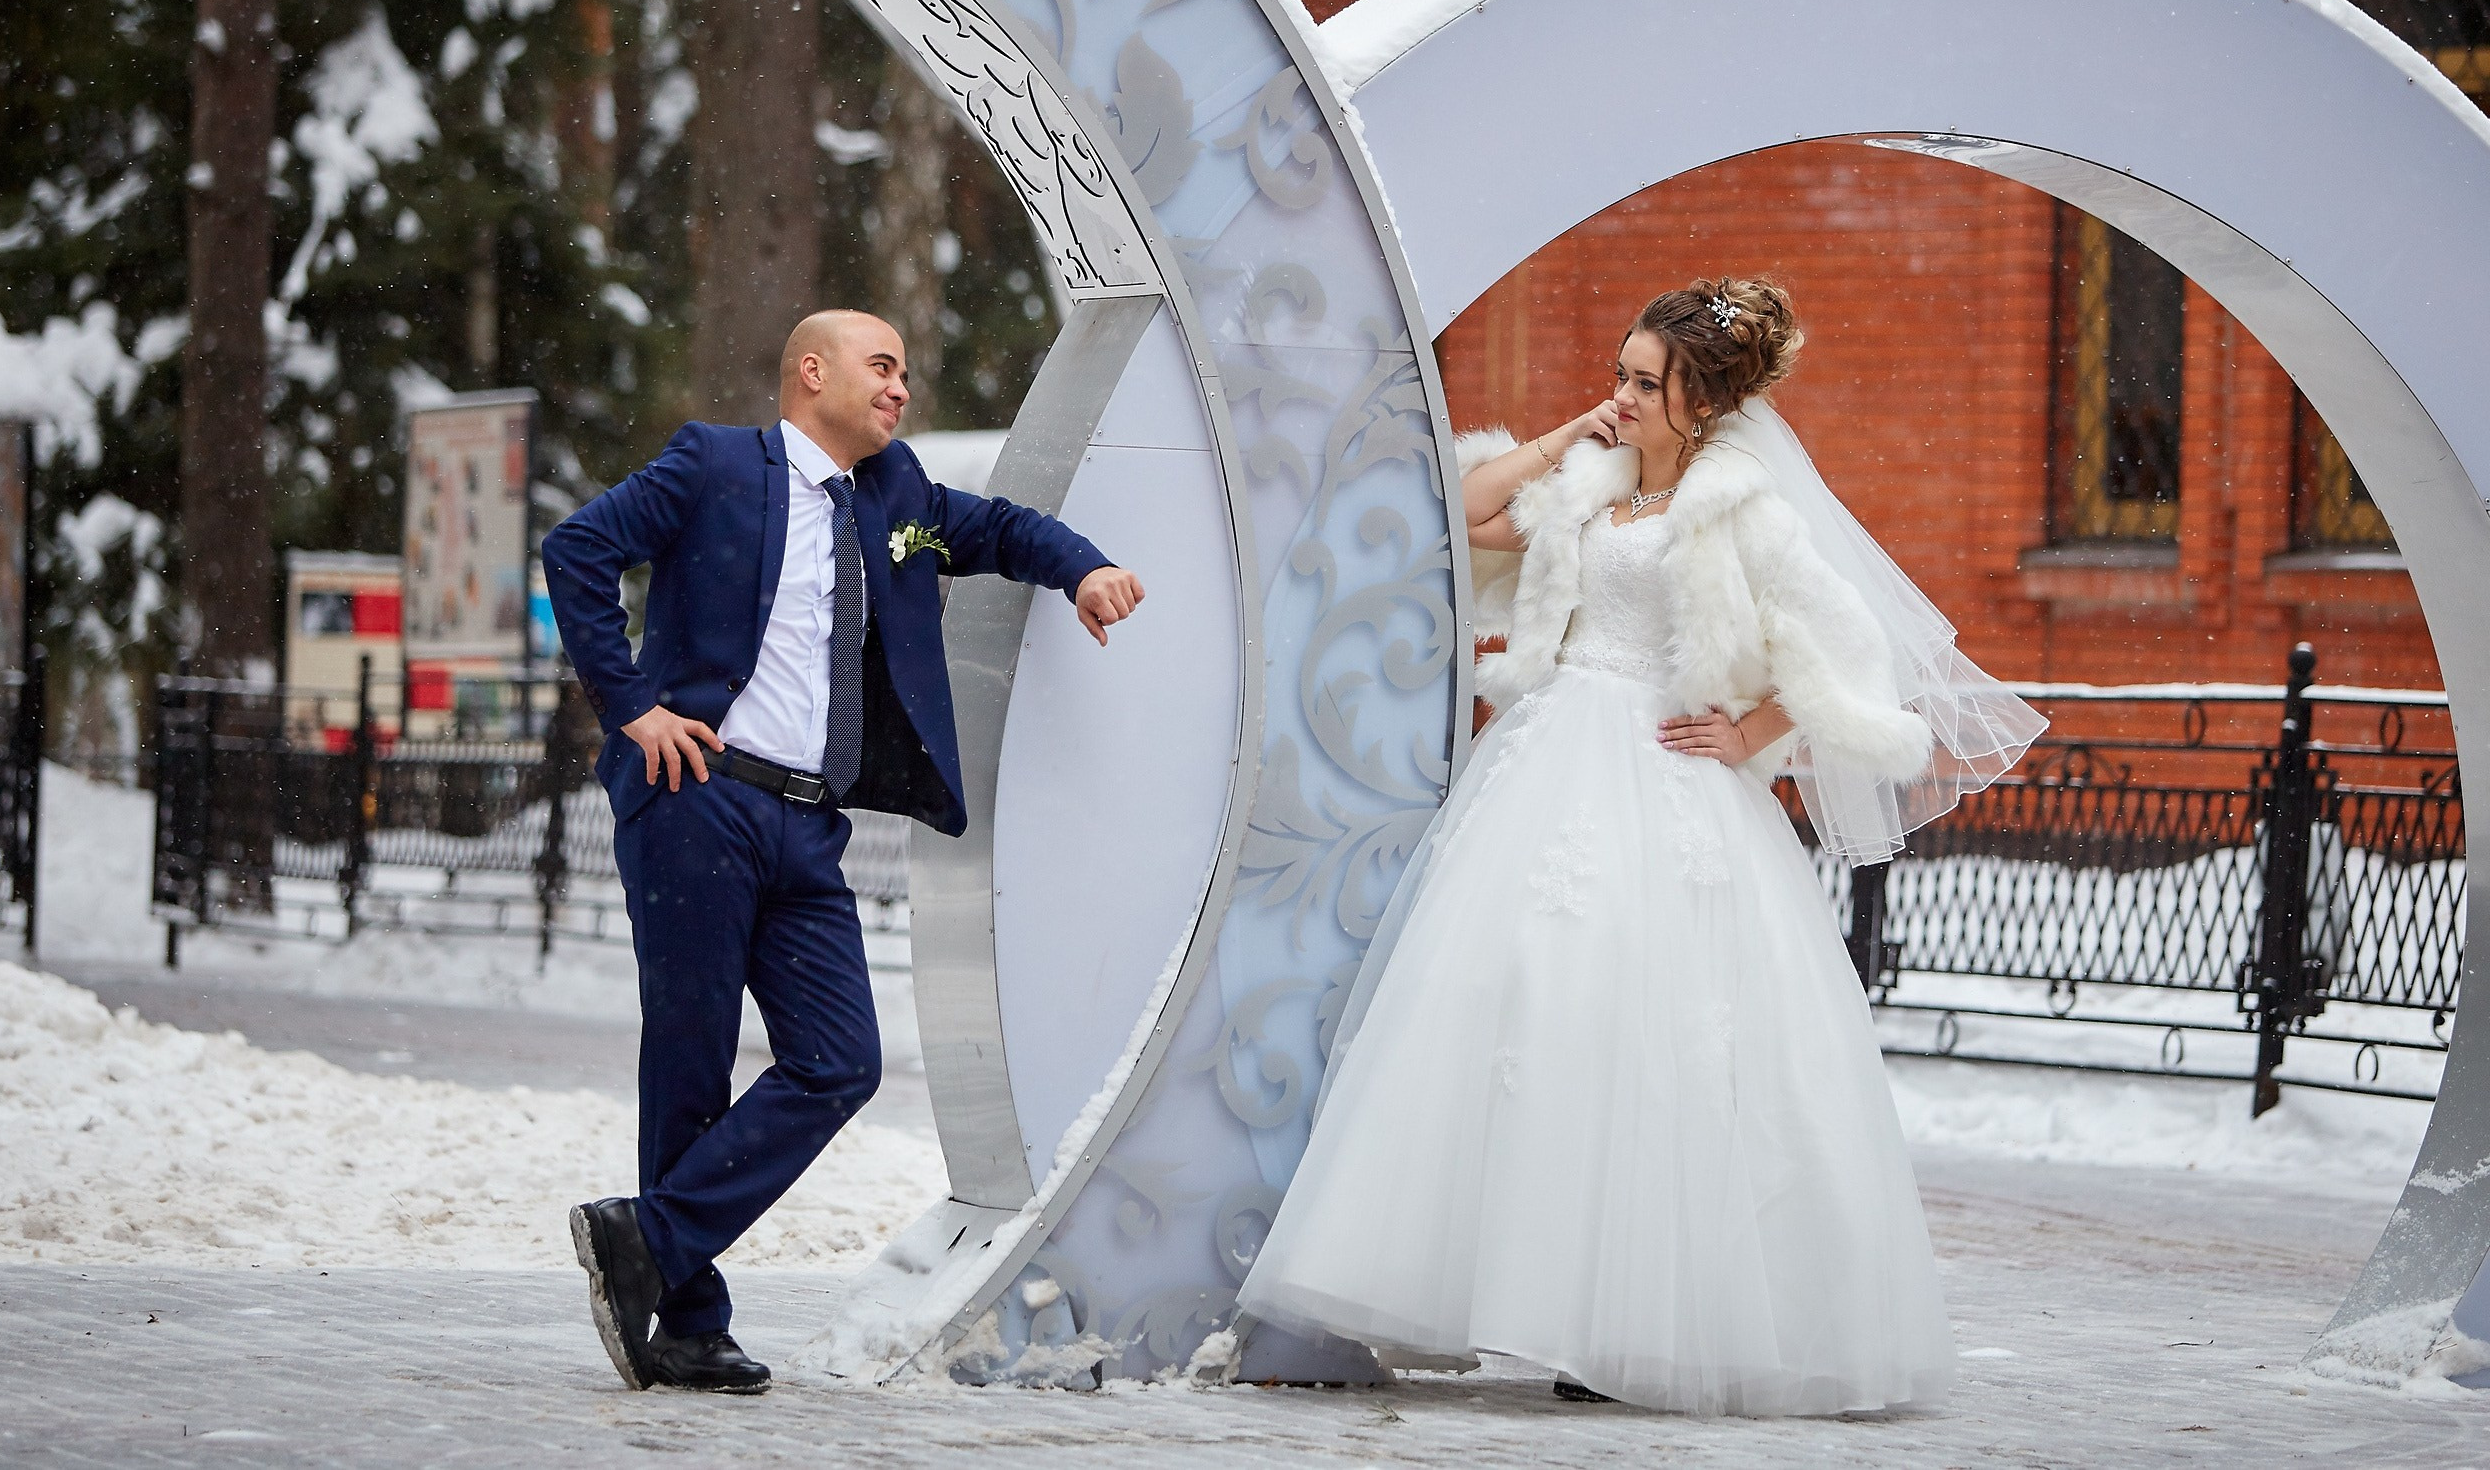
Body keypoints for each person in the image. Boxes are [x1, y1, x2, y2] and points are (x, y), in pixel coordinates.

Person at [1236, 277, 2040, 1415]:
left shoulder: (1743, 515)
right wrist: (1571, 436)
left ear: (1701, 405)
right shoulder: (1588, 485)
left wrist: (1752, 727)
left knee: (1652, 1043)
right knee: (1525, 1020)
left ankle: (1626, 1328)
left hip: (1666, 781)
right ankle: (1531, 1298)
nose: (1621, 393)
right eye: (1618, 373)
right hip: (1550, 758)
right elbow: (1462, 511)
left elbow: (1861, 662)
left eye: (1643, 382)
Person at [543, 310, 1145, 1394]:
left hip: (809, 826)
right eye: (882, 367)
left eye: (907, 372)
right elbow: (577, 548)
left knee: (841, 1060)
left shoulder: (898, 497)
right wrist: (631, 707)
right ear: (810, 372)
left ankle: (650, 1240)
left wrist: (1084, 568)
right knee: (690, 1062)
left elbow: (1001, 527)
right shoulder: (716, 463)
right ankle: (685, 1321)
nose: (899, 388)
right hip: (698, 800)